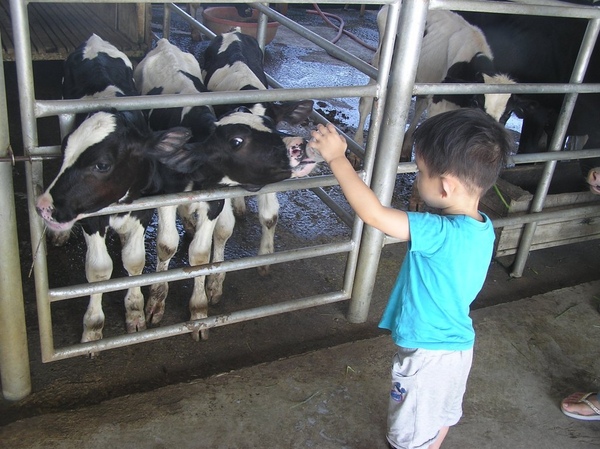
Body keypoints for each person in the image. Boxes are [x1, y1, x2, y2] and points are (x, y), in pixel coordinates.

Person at [309, 108, 512, 449]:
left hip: (426, 355)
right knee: (440, 418)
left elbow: (374, 213)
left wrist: (337, 159)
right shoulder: (483, 228)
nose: (417, 179)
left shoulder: (438, 231)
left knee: (407, 436)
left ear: (446, 186)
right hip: (458, 347)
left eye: (420, 172)